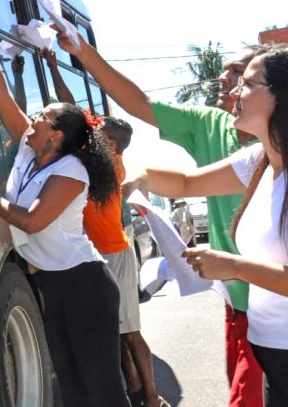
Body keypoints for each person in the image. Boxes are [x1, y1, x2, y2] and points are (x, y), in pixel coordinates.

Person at [50, 24, 268, 406]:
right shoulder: (219, 132)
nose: (226, 81)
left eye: (240, 75)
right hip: (239, 302)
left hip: (272, 301)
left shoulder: (269, 153)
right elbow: (144, 111)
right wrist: (83, 53)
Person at [0, 0, 129, 406]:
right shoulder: (27, 150)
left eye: (42, 118)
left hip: (84, 284)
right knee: (71, 386)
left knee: (102, 389)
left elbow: (33, 222)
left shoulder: (69, 171)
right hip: (54, 284)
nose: (32, 119)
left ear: (56, 137)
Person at [129, 45, 288, 406]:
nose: (234, 91)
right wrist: (137, 175)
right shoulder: (259, 160)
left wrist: (232, 266)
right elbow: (186, 183)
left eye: (247, 83)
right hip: (271, 352)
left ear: (278, 96)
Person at [84, 117, 168, 407]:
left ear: (111, 143)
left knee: (130, 331)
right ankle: (134, 389)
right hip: (98, 252)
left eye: (99, 132)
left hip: (114, 253)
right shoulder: (101, 161)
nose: (92, 134)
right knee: (115, 331)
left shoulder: (112, 166)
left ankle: (153, 398)